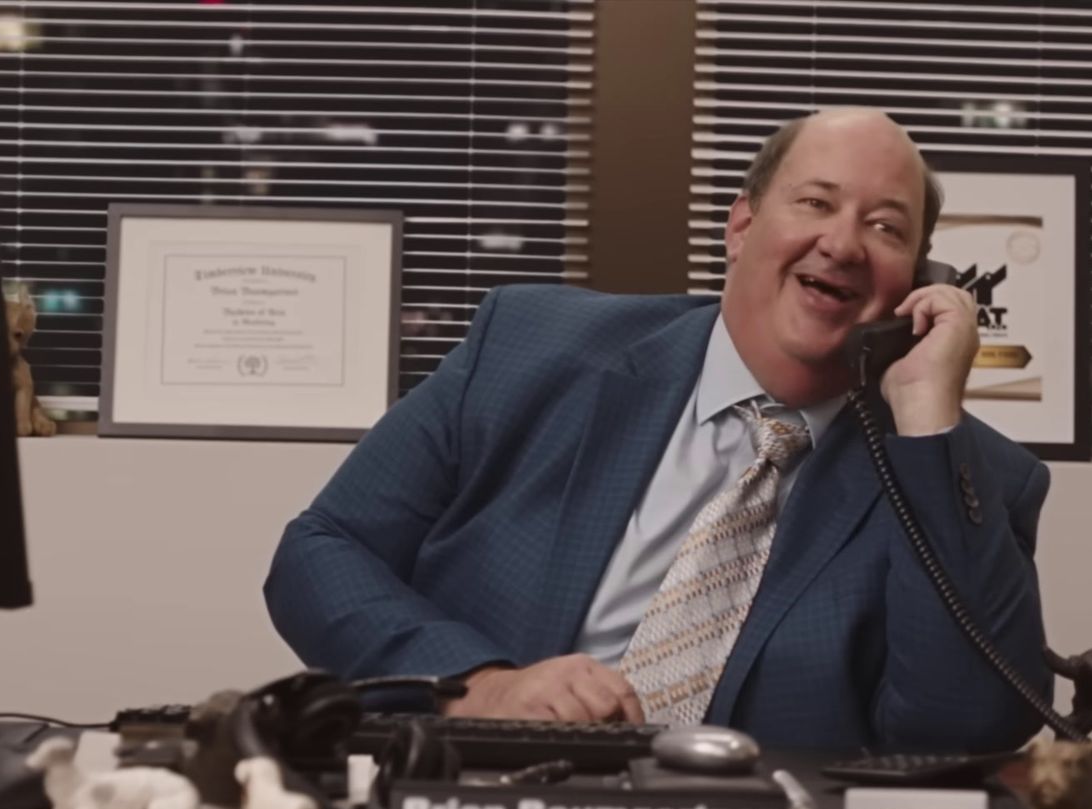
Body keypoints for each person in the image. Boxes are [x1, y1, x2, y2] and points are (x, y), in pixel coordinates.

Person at [264, 107, 1050, 752]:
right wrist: (479, 686)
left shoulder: (957, 471)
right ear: (741, 226)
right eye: (815, 202)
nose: (842, 243)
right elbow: (320, 553)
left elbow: (961, 729)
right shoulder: (529, 348)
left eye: (885, 227)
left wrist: (925, 417)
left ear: (918, 281)